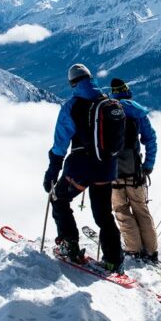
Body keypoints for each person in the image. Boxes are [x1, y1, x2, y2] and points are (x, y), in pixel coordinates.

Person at [43, 64, 125, 272]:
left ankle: (69, 244)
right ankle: (114, 259)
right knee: (104, 214)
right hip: (107, 167)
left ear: (72, 83)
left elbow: (60, 144)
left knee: (59, 198)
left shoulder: (72, 106)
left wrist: (52, 171)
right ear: (90, 78)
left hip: (81, 167)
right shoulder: (107, 102)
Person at [108, 78, 160, 262]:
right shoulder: (138, 113)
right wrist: (148, 165)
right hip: (136, 172)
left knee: (121, 210)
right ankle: (151, 251)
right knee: (141, 210)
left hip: (113, 173)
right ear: (127, 92)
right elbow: (150, 140)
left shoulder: (108, 111)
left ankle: (133, 249)